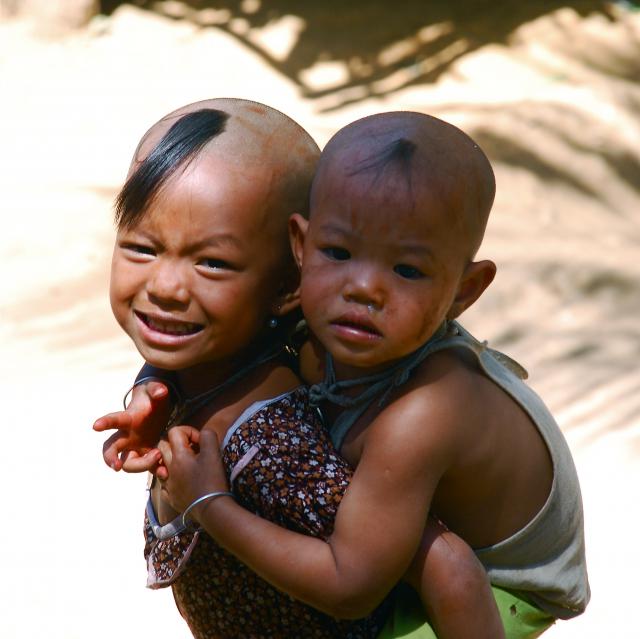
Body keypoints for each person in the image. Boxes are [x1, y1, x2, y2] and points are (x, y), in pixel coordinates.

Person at [130, 111, 590, 638]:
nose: (363, 288)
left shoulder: (424, 412)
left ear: (464, 291)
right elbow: (219, 331)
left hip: (490, 591)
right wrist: (152, 389)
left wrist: (209, 504)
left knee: (441, 563)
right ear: (300, 249)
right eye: (338, 252)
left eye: (408, 270)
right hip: (392, 525)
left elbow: (350, 588)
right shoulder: (315, 310)